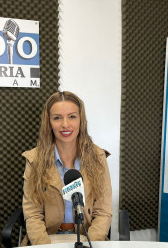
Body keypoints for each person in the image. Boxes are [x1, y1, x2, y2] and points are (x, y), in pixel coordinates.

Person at [21, 91, 112, 245]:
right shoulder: (35, 160)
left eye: (72, 116)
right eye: (57, 118)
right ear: (49, 122)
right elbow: (32, 214)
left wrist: (92, 243)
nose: (65, 124)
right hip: (48, 238)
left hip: (87, 238)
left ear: (81, 120)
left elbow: (103, 211)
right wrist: (44, 246)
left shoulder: (98, 157)